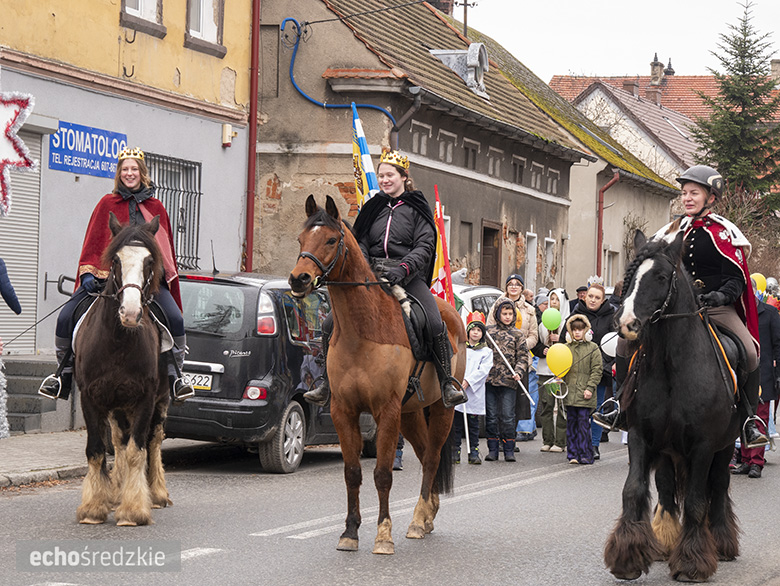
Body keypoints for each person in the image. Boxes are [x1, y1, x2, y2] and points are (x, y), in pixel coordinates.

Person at [595, 165, 768, 448]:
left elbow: (737, 279)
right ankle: (619, 406)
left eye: (694, 193)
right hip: (672, 309)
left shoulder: (724, 232)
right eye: (685, 193)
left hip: (715, 308)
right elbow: (648, 271)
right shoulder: (669, 232)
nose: (687, 198)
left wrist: (719, 297)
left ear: (711, 197)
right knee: (626, 345)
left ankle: (749, 420)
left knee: (749, 352)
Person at [303, 150, 466, 409]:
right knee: (329, 324)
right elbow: (360, 243)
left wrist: (402, 269)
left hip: (408, 276)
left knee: (434, 321)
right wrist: (367, 268)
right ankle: (325, 382)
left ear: (404, 177)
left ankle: (447, 383)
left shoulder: (417, 208)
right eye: (381, 176)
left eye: (390, 175)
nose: (384, 180)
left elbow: (424, 246)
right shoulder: (373, 207)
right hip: (372, 276)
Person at [38, 147, 194, 401]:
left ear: (142, 173)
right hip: (106, 280)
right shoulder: (106, 203)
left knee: (175, 319)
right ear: (119, 174)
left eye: (134, 169)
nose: (129, 174)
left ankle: (176, 377)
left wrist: (157, 278)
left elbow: (164, 251)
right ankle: (62, 375)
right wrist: (88, 272)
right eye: (125, 169)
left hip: (146, 282)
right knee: (66, 316)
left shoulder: (156, 207)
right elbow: (93, 240)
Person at [732, 289, 780, 478]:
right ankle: (745, 460)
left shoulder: (770, 313)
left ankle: (756, 463)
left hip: (765, 375)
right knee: (743, 418)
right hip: (743, 374)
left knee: (759, 420)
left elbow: (778, 345)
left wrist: (778, 374)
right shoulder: (738, 315)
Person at [565, 283, 615, 460]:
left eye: (597, 297)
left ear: (603, 300)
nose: (593, 300)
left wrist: (607, 364)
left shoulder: (611, 315)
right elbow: (567, 338)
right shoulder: (576, 312)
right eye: (590, 296)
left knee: (596, 408)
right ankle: (577, 445)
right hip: (577, 370)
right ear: (585, 297)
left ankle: (593, 445)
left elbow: (614, 342)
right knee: (576, 411)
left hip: (601, 369)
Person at [486, 274, 539, 442]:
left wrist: (519, 345)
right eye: (511, 284)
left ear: (522, 287)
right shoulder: (496, 305)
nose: (514, 287)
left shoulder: (529, 310)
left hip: (519, 362)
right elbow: (488, 330)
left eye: (517, 284)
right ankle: (498, 440)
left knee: (515, 405)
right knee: (497, 407)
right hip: (498, 363)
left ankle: (510, 438)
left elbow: (534, 335)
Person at [484, 298, 529, 462]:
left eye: (510, 314)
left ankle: (509, 449)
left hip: (509, 382)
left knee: (508, 416)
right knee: (491, 416)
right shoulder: (488, 332)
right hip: (490, 381)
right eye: (505, 313)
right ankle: (492, 450)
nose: (508, 316)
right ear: (498, 314)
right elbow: (480, 353)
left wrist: (518, 372)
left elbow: (523, 357)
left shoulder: (518, 334)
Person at [453, 311, 493, 465]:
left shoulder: (486, 352)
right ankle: (455, 450)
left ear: (482, 334)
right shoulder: (461, 348)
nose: (475, 333)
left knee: (473, 424)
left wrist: (469, 381)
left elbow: (483, 370)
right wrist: (458, 380)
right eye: (473, 330)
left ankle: (474, 451)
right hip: (459, 387)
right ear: (468, 331)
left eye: (479, 330)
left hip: (473, 391)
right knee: (456, 423)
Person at [562, 314, 603, 465]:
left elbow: (597, 370)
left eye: (580, 329)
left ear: (586, 330)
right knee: (571, 424)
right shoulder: (566, 348)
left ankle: (586, 453)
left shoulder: (593, 348)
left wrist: (590, 388)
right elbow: (561, 367)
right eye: (574, 330)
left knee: (583, 424)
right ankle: (572, 454)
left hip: (585, 394)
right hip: (570, 393)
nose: (577, 333)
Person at [535, 288, 570, 453]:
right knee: (546, 405)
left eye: (557, 300)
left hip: (562, 370)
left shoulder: (568, 323)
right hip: (545, 370)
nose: (554, 302)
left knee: (562, 405)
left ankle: (560, 441)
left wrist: (560, 340)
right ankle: (547, 439)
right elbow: (535, 344)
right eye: (551, 299)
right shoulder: (542, 324)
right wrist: (543, 349)